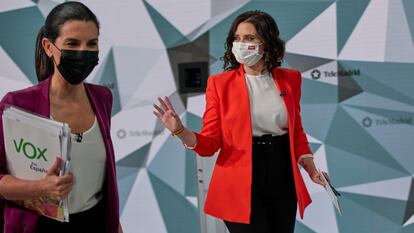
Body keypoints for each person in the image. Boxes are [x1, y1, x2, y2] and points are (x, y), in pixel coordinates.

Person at [153, 10, 328, 233]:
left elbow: (296, 132)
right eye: (237, 38)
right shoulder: (219, 84)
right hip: (239, 177)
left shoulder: (291, 78)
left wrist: (311, 170)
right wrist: (179, 131)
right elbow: (209, 144)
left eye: (249, 38)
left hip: (282, 172)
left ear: (266, 43)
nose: (241, 44)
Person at [0, 2, 122, 233]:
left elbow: (100, 180)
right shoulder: (17, 105)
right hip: (39, 225)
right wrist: (39, 188)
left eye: (92, 44)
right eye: (72, 44)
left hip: (94, 222)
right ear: (48, 47)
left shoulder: (102, 97)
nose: (83, 52)